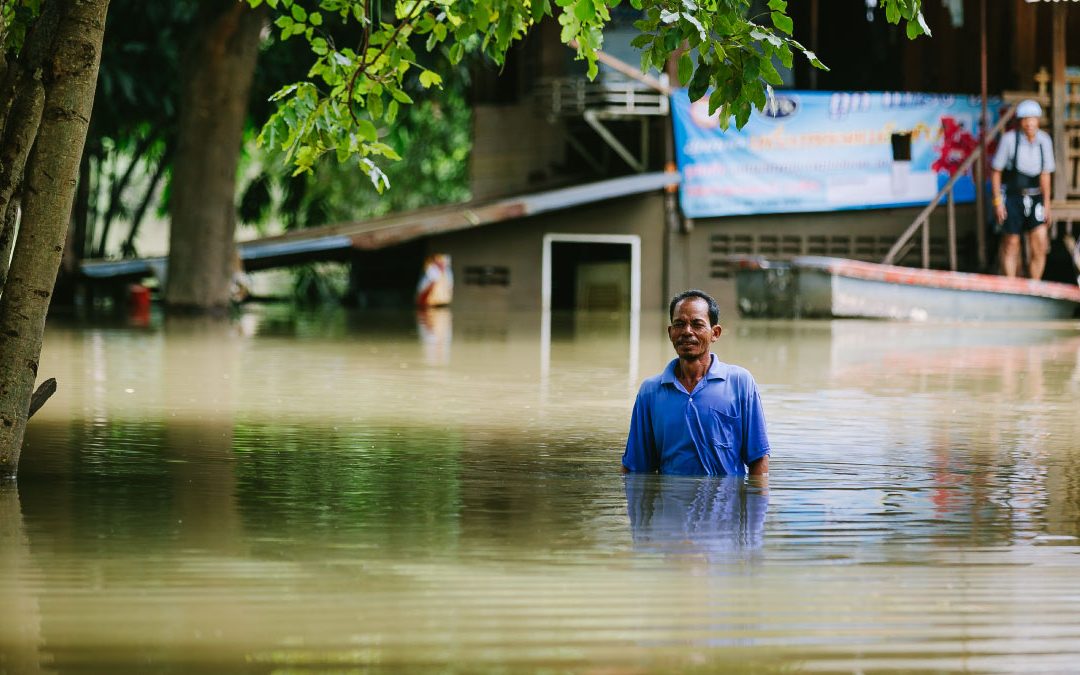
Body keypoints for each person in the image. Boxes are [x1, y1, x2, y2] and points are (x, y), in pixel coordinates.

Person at [621, 290, 770, 476]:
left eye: (697, 324)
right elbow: (635, 467)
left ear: (715, 333)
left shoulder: (740, 382)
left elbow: (759, 459)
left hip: (725, 503)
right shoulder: (650, 391)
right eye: (679, 324)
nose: (687, 332)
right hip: (670, 503)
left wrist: (757, 502)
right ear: (670, 332)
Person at [991, 99, 1055, 279]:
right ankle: (1012, 286)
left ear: (1038, 120)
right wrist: (997, 202)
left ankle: (1035, 285)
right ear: (1020, 121)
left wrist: (1047, 204)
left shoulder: (1044, 140)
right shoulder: (1009, 140)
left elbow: (1045, 174)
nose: (1029, 123)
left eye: (1033, 118)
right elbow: (996, 172)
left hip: (1035, 197)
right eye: (1025, 119)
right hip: (1012, 197)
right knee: (1011, 242)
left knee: (1040, 242)